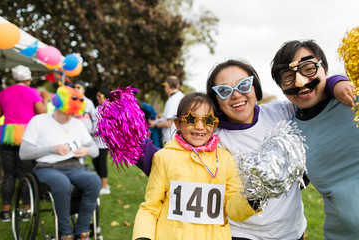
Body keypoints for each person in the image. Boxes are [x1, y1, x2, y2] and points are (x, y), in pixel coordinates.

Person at [136, 58, 352, 239]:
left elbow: (311, 94)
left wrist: (336, 82)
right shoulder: (211, 135)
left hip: (291, 232)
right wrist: (136, 145)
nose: (236, 94)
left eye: (243, 85)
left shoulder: (280, 112)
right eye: (224, 90)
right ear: (215, 100)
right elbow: (175, 167)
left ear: (255, 88)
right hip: (241, 234)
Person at [133, 93, 260, 240]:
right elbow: (150, 208)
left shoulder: (225, 159)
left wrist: (250, 203)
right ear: (178, 123)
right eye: (191, 119)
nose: (200, 126)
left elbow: (232, 207)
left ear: (215, 124)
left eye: (208, 120)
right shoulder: (164, 158)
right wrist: (143, 236)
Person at [271, 39, 359, 239]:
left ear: (324, 69)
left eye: (308, 68)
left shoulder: (352, 96)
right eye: (287, 76)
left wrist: (337, 82)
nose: (300, 82)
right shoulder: (290, 132)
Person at [19, 86, 101, 240]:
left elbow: (95, 150)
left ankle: (82, 230)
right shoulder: (39, 121)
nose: (70, 117)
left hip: (73, 165)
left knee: (94, 181)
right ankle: (65, 232)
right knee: (61, 182)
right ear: (59, 106)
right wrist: (51, 149)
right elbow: (24, 153)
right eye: (67, 112)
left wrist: (86, 151)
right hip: (47, 167)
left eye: (73, 113)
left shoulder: (77, 124)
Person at [0, 65, 48, 222]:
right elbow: (43, 112)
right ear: (28, 79)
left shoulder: (3, 93)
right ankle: (26, 210)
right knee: (26, 174)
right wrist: (45, 98)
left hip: (7, 135)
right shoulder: (33, 92)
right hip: (27, 135)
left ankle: (5, 211)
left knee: (8, 174)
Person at [149, 76, 184, 144]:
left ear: (167, 86)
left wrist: (154, 124)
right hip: (179, 139)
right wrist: (160, 120)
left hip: (172, 140)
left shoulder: (172, 100)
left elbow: (168, 123)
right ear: (178, 86)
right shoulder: (181, 96)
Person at [93, 88, 111, 195]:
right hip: (96, 141)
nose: (97, 98)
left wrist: (100, 130)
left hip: (103, 142)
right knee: (96, 162)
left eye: (99, 96)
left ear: (104, 97)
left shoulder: (108, 108)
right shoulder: (98, 107)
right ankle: (101, 183)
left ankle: (105, 186)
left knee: (102, 163)